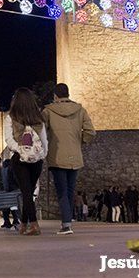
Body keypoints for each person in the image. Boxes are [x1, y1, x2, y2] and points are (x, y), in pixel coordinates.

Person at [42, 83, 95, 235]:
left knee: (62, 191)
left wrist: (47, 145)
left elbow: (41, 131)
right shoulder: (81, 110)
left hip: (57, 155)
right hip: (75, 156)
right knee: (70, 191)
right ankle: (68, 221)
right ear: (68, 94)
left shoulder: (48, 111)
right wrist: (80, 141)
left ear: (55, 96)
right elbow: (91, 132)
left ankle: (66, 225)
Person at [4, 87, 48, 236]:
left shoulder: (11, 117)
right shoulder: (38, 118)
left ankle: (34, 225)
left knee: (26, 191)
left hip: (19, 158)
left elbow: (9, 139)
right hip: (36, 159)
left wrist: (20, 149)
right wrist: (43, 154)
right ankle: (23, 224)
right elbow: (44, 140)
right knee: (28, 192)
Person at [1, 158, 20, 228]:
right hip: (13, 190)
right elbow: (15, 178)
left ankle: (7, 221)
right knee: (14, 205)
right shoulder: (11, 169)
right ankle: (15, 220)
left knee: (6, 207)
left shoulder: (3, 170)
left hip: (5, 191)